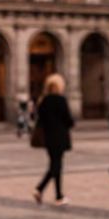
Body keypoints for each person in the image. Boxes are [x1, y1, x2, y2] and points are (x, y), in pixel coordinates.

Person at [33, 73, 74, 206]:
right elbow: (69, 120)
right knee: (56, 165)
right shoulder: (61, 100)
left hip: (48, 137)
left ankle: (58, 195)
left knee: (55, 164)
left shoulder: (43, 101)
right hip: (60, 137)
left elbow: (40, 120)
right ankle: (41, 189)